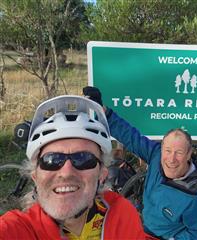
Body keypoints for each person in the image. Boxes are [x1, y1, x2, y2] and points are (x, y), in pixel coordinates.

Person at [0, 95, 150, 240]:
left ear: (102, 175)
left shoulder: (122, 215)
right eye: (51, 160)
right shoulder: (18, 229)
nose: (66, 172)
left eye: (83, 159)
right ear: (35, 176)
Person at [83, 86, 197, 240]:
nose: (171, 159)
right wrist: (104, 113)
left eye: (179, 153)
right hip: (141, 227)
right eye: (167, 151)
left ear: (188, 154)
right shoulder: (156, 154)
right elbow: (130, 136)